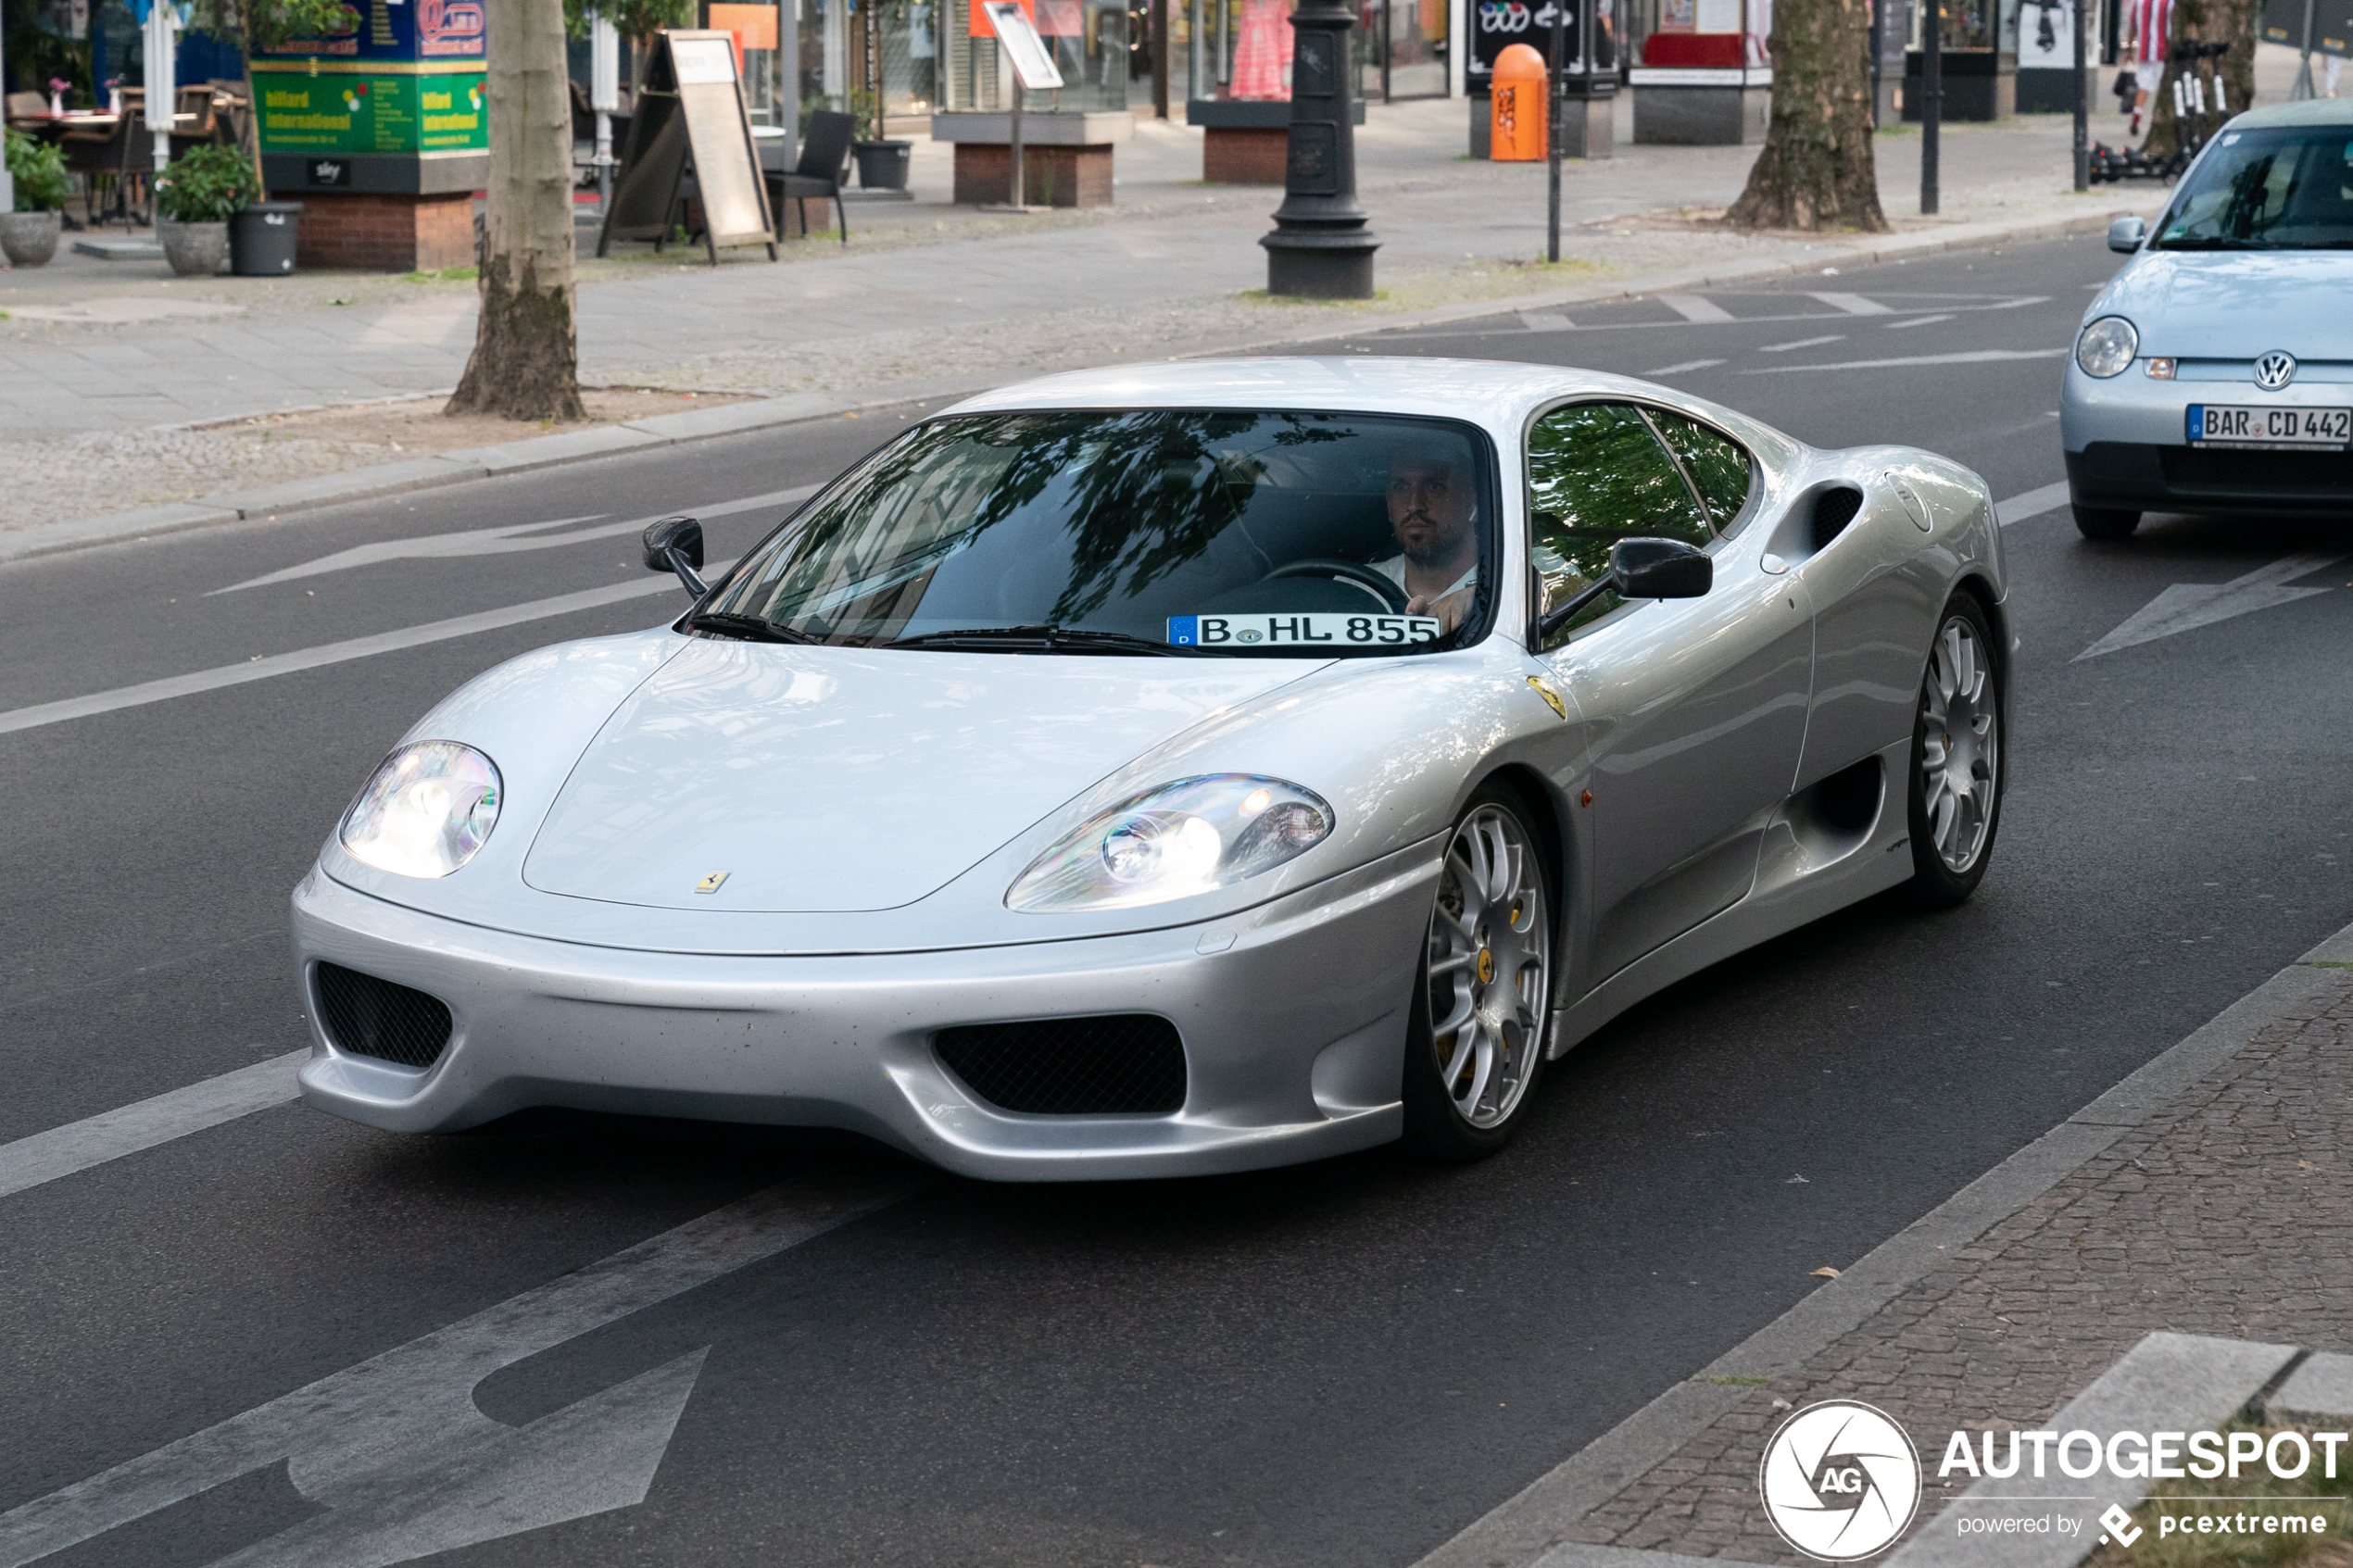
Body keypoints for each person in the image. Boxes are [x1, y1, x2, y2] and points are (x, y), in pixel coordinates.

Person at [1374, 445, 1481, 633]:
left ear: (1473, 502)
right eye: (1401, 487)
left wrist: (1482, 598)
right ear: (1389, 506)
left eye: (1434, 485)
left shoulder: (1513, 587)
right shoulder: (1356, 588)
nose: (1414, 505)